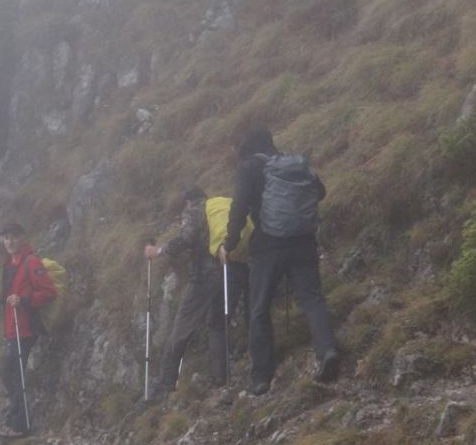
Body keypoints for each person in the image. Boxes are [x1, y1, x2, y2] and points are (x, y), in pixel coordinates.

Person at [220, 124, 339, 396]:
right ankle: (327, 350)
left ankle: (262, 376)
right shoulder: (293, 164)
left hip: (268, 246)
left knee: (259, 308)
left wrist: (230, 243)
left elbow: (238, 208)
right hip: (303, 243)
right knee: (312, 299)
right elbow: (320, 191)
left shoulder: (250, 167)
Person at [144, 187, 243, 399]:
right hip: (232, 270)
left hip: (204, 277)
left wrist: (158, 251)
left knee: (181, 328)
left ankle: (165, 384)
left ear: (188, 201)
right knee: (217, 323)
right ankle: (220, 377)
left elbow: (187, 238)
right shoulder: (219, 209)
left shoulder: (194, 211)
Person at [0, 222, 57, 437]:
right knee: (10, 374)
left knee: (14, 375)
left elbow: (49, 293)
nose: (9, 241)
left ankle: (21, 424)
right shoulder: (9, 264)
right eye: (5, 237)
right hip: (12, 328)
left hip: (26, 328)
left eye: (13, 237)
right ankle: (17, 417)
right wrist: (0, 298)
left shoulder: (31, 262)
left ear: (22, 237)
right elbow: (12, 298)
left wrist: (24, 300)